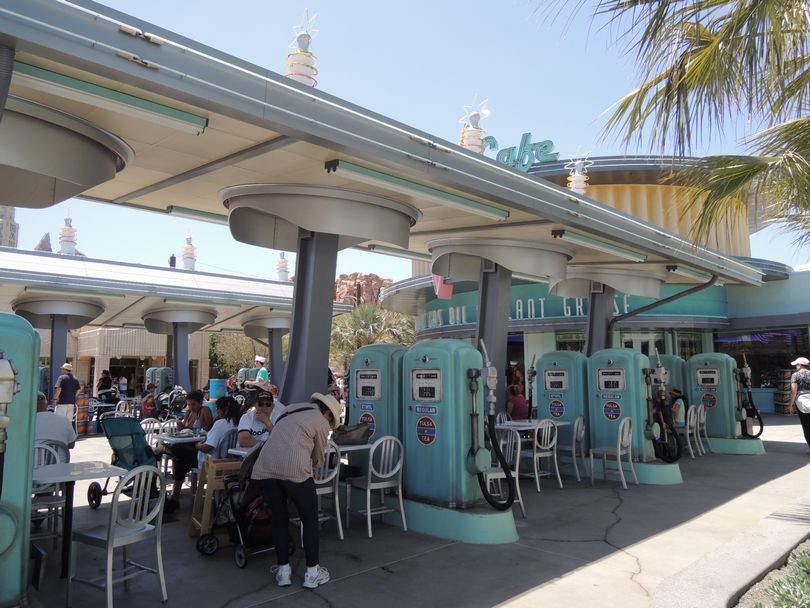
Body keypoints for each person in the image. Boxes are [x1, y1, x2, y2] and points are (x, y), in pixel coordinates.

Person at [251, 392, 342, 589]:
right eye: (331, 419)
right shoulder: (321, 422)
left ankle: (283, 572)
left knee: (279, 519)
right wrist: (313, 465)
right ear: (328, 413)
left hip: (267, 465)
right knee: (309, 520)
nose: (329, 423)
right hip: (295, 469)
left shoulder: (291, 409)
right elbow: (318, 456)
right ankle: (312, 574)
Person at [163, 390, 214, 511]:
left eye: (193, 404)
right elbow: (185, 429)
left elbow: (209, 429)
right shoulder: (189, 412)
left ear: (200, 402)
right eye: (189, 404)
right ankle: (174, 499)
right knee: (179, 459)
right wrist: (182, 426)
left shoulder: (204, 410)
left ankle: (164, 449)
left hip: (199, 446)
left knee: (177, 455)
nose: (191, 406)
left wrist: (199, 420)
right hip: (189, 445)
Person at [197, 396, 240, 466]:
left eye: (217, 408)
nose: (217, 410)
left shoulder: (221, 423)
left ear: (225, 409)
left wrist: (197, 445)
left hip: (211, 463)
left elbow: (207, 448)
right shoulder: (238, 423)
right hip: (230, 461)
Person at [788, 357, 810, 450]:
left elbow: (794, 391)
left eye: (796, 365)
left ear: (800, 365)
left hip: (802, 402)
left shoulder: (795, 375)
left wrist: (790, 405)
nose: (796, 367)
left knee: (806, 425)